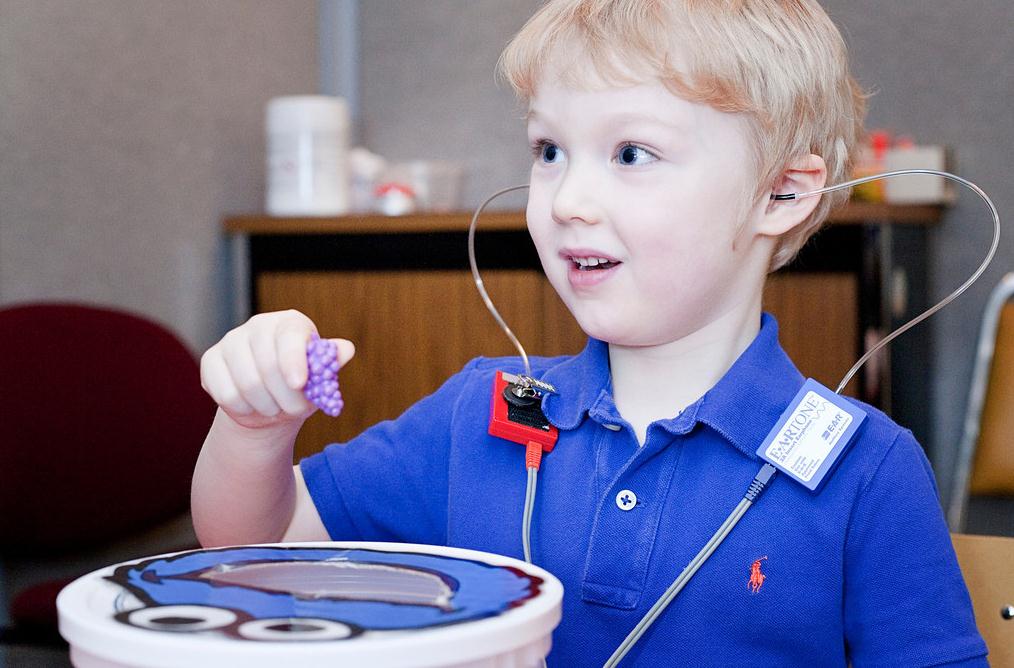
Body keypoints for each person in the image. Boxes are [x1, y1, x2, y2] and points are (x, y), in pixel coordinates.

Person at [192, 1, 988, 665]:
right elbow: (251, 553)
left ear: (780, 194)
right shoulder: (481, 415)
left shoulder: (866, 472)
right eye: (549, 150)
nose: (567, 198)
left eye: (631, 152)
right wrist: (254, 429)